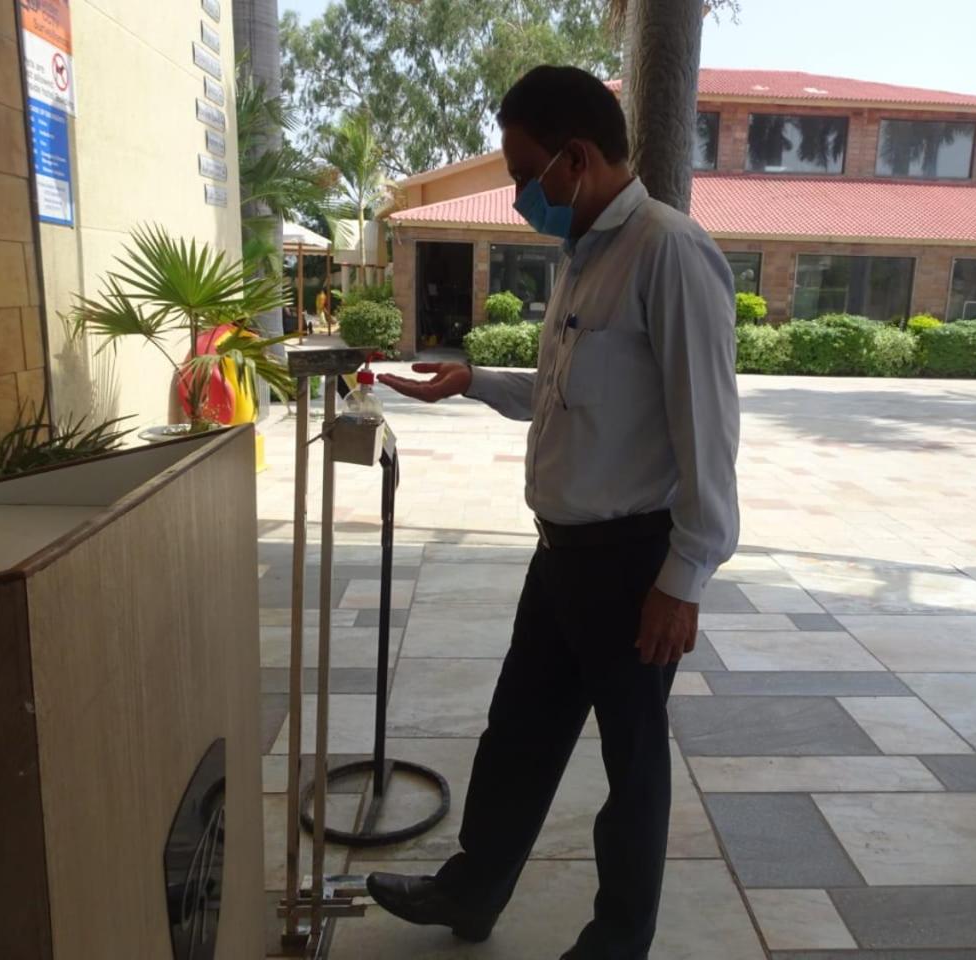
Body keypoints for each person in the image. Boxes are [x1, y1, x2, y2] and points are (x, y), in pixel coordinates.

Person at [370, 65, 740, 960]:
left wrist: (682, 580)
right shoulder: (584, 253)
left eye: (523, 172)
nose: (518, 195)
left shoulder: (668, 253)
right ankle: (471, 893)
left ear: (576, 159)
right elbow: (567, 390)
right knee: (519, 733)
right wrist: (473, 380)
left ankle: (617, 941)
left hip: (634, 565)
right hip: (564, 555)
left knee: (632, 764)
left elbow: (709, 434)